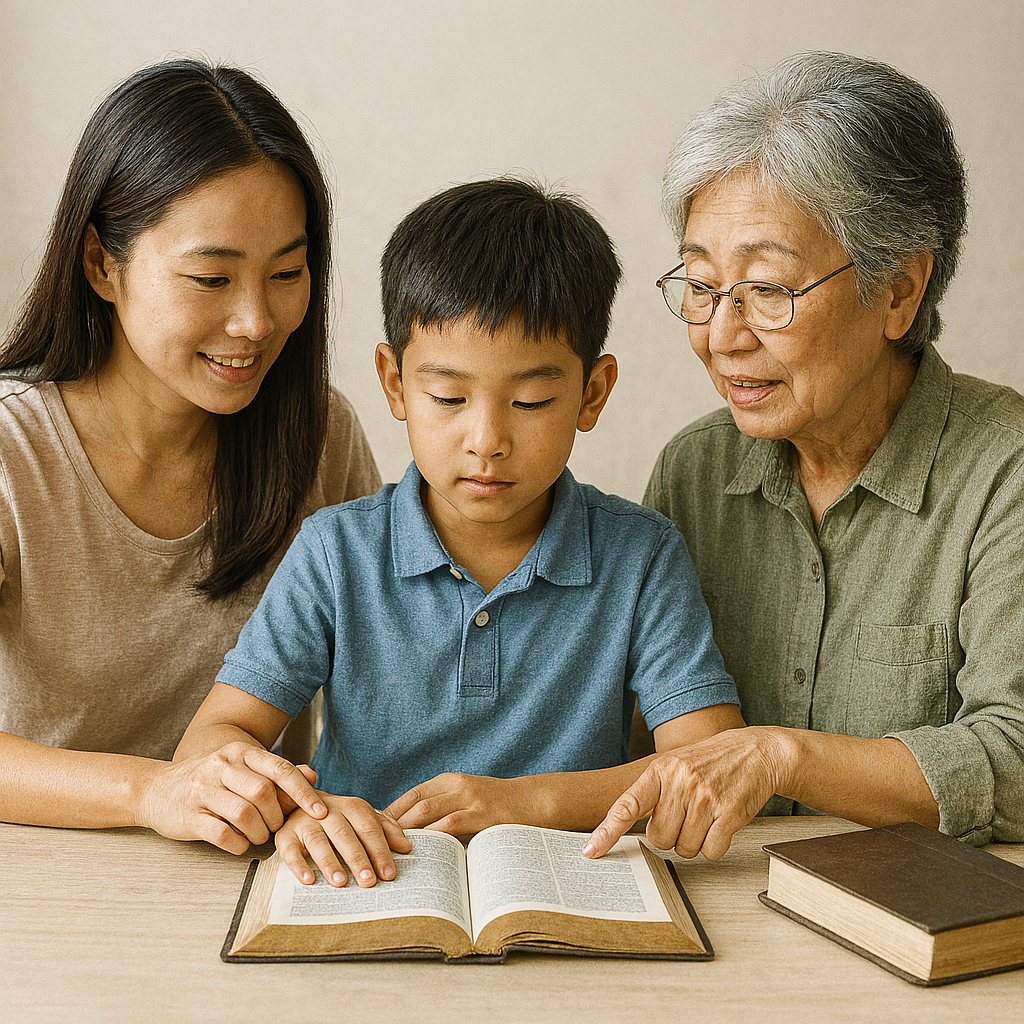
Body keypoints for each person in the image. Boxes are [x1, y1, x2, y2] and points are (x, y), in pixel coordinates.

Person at [175, 177, 744, 887]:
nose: (487, 439)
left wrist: (521, 802)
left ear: (592, 393)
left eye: (532, 400)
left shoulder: (641, 555)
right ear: (394, 384)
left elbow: (713, 760)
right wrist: (303, 813)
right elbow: (211, 742)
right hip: (364, 889)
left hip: (569, 891)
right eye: (447, 397)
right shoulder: (335, 552)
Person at [584, 50, 1024, 865]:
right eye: (703, 285)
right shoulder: (695, 473)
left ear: (900, 291)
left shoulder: (1007, 470)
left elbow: (1017, 756)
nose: (721, 337)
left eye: (770, 292)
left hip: (930, 929)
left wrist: (781, 755)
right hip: (726, 914)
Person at [0, 60, 379, 850]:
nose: (255, 321)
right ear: (103, 264)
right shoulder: (12, 453)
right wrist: (157, 791)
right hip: (44, 885)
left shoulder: (319, 436)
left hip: (256, 881)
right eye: (210, 277)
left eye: (287, 273)